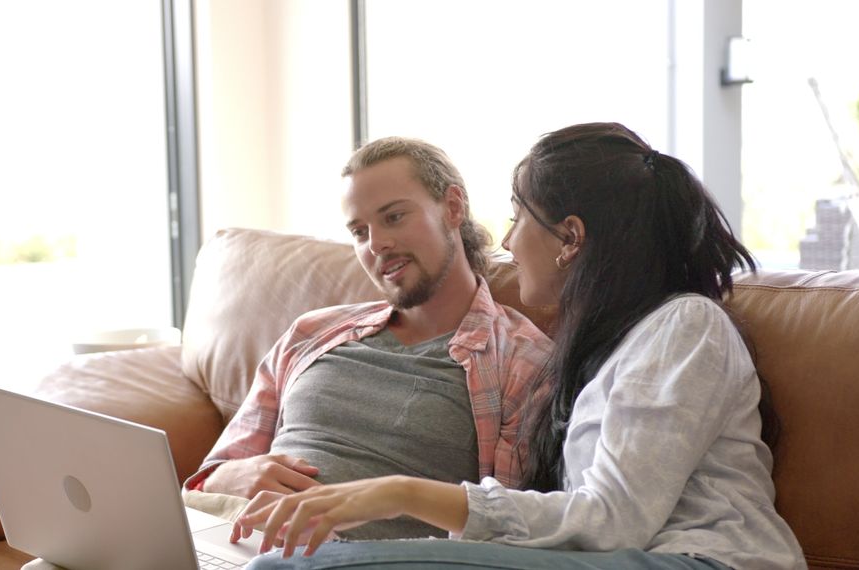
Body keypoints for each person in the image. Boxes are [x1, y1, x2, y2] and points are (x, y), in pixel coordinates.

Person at [232, 123, 807, 569]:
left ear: (570, 238)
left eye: (517, 219)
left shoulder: (686, 326)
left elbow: (611, 519)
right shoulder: (608, 349)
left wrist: (395, 493)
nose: (505, 241)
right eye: (359, 231)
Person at [184, 136, 553, 540]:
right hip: (238, 541)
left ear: (452, 207)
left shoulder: (522, 361)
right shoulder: (311, 333)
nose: (377, 244)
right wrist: (233, 474)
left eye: (393, 217)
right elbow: (207, 480)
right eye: (360, 231)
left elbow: (511, 530)